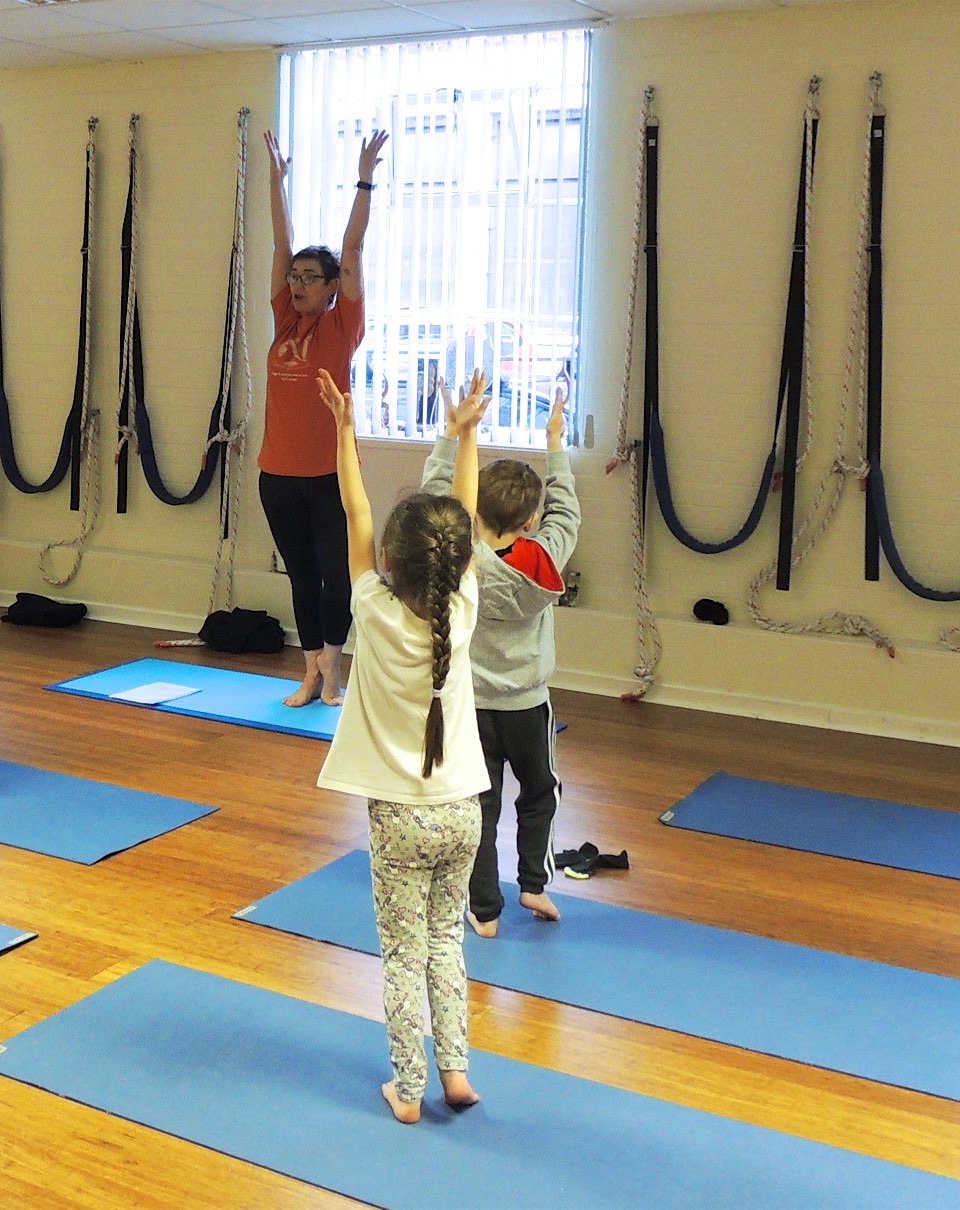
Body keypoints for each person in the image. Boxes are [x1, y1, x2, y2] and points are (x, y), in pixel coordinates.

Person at [315, 366, 492, 1125]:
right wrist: (468, 434)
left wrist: (345, 429)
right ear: (459, 564)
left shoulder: (370, 606)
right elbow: (469, 515)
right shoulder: (466, 602)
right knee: (448, 942)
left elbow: (355, 510)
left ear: (389, 561)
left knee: (403, 953)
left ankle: (408, 1087)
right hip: (464, 812)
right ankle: (456, 1071)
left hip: (400, 819)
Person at [421, 379, 580, 937]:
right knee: (540, 792)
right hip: (528, 706)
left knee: (480, 806)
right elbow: (567, 514)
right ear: (529, 522)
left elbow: (437, 491)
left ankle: (484, 911)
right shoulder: (544, 555)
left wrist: (455, 434)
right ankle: (534, 884)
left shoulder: (459, 555)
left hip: (473, 706)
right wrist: (554, 439)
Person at [259, 126, 388, 707]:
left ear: (335, 288)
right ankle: (310, 673)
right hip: (277, 474)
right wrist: (276, 183)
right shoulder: (285, 319)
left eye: (312, 278)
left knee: (339, 578)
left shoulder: (342, 326)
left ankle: (333, 672)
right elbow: (280, 245)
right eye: (296, 278)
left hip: (332, 475)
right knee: (301, 577)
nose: (298, 283)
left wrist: (364, 179)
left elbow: (354, 247)